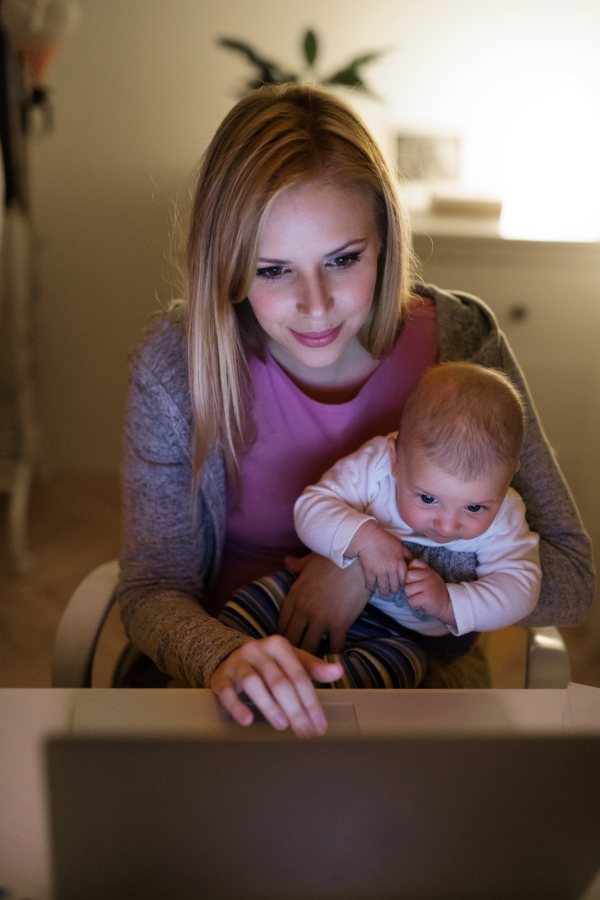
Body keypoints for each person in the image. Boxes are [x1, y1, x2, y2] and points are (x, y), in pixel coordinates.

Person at [116, 83, 594, 737]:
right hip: (228, 653)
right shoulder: (177, 364)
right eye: (273, 270)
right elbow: (150, 590)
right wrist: (229, 658)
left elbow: (572, 577)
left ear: (385, 238)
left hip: (410, 671)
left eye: (343, 260)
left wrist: (360, 572)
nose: (315, 305)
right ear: (226, 266)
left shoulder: (461, 344)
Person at [293, 361, 541, 638]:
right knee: (253, 603)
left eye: (473, 507)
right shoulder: (376, 467)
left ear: (507, 481)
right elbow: (309, 508)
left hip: (401, 639)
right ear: (395, 460)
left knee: (389, 672)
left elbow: (521, 588)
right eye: (427, 498)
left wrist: (450, 602)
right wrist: (364, 538)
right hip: (312, 590)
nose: (447, 526)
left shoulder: (505, 514)